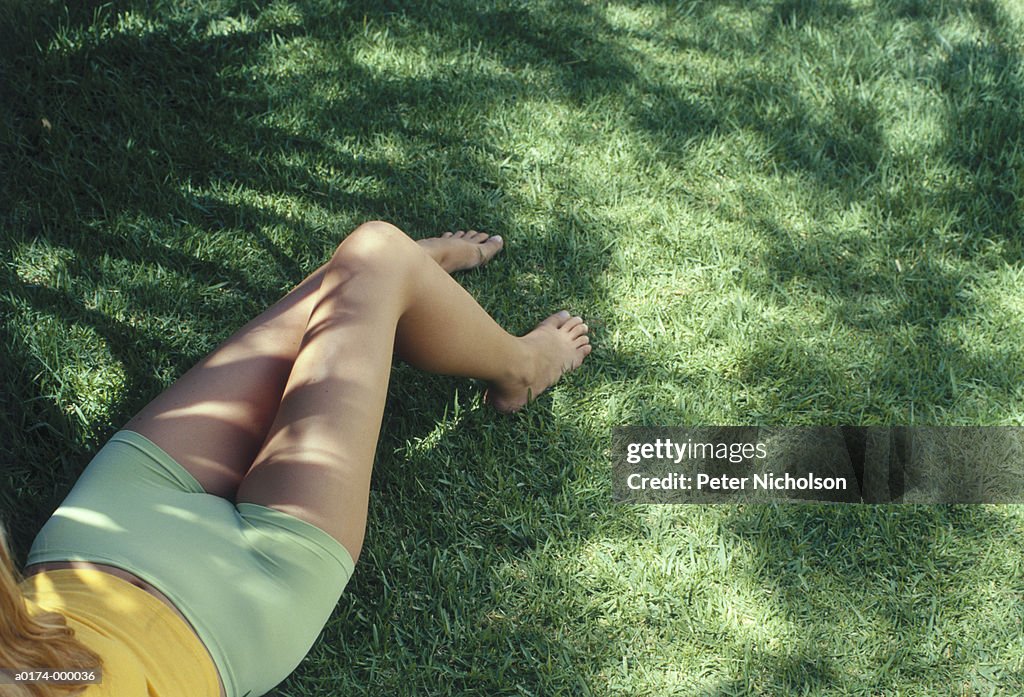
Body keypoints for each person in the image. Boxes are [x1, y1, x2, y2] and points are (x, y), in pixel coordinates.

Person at [0, 222, 592, 697]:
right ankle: (519, 363)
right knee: (375, 253)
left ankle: (408, 281)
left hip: (104, 532)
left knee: (355, 274)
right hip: (238, 608)